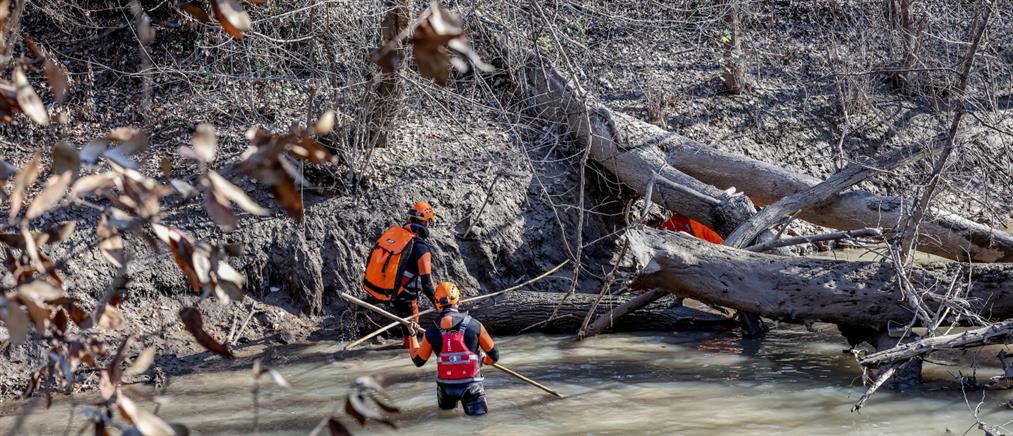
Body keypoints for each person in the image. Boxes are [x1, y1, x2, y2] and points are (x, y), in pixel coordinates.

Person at [409, 281, 499, 416]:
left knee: (446, 422)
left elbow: (418, 361)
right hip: (472, 387)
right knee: (478, 425)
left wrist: (413, 335)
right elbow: (495, 356)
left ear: (437, 304)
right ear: (458, 301)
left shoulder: (431, 332)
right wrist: (484, 360)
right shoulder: (475, 326)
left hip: (446, 389)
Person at [362, 201, 439, 348]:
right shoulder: (422, 248)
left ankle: (404, 344)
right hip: (407, 297)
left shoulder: (398, 236)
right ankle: (408, 353)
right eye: (429, 221)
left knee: (406, 331)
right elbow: (427, 283)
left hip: (391, 291)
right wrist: (439, 304)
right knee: (412, 342)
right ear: (426, 222)